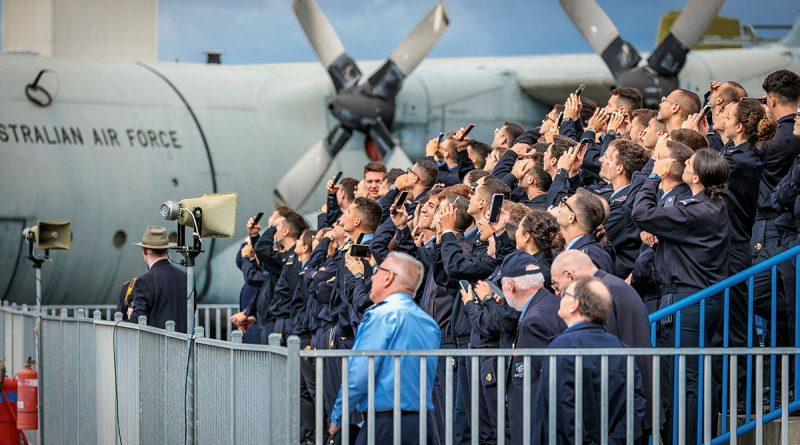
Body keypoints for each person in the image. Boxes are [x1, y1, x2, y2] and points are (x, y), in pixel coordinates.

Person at [631, 148, 731, 443]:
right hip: (690, 297)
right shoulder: (706, 206)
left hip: (688, 298)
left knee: (686, 379)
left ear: (697, 176)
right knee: (683, 378)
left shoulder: (700, 209)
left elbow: (642, 213)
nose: (682, 165)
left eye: (687, 164)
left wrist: (653, 176)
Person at [328, 252, 440, 445]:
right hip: (418, 424)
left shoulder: (381, 316)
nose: (372, 276)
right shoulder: (429, 323)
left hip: (384, 423)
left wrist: (338, 415)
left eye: (377, 270)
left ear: (388, 277)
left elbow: (360, 374)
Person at [532, 276, 646, 444]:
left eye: (565, 294)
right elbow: (636, 405)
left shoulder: (563, 346)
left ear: (575, 305)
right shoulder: (621, 348)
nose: (559, 297)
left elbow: (562, 408)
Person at [502, 251, 566, 445]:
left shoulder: (535, 320)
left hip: (539, 428)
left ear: (510, 286)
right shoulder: (551, 305)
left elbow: (534, 382)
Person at [129, 225, 188, 333]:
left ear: (145, 250)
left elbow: (137, 319)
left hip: (156, 347)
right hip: (184, 346)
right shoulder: (186, 277)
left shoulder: (144, 281)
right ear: (167, 249)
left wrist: (131, 316)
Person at [555, 188, 616, 274]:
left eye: (564, 203)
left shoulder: (583, 258)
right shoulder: (589, 251)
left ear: (571, 217)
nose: (560, 207)